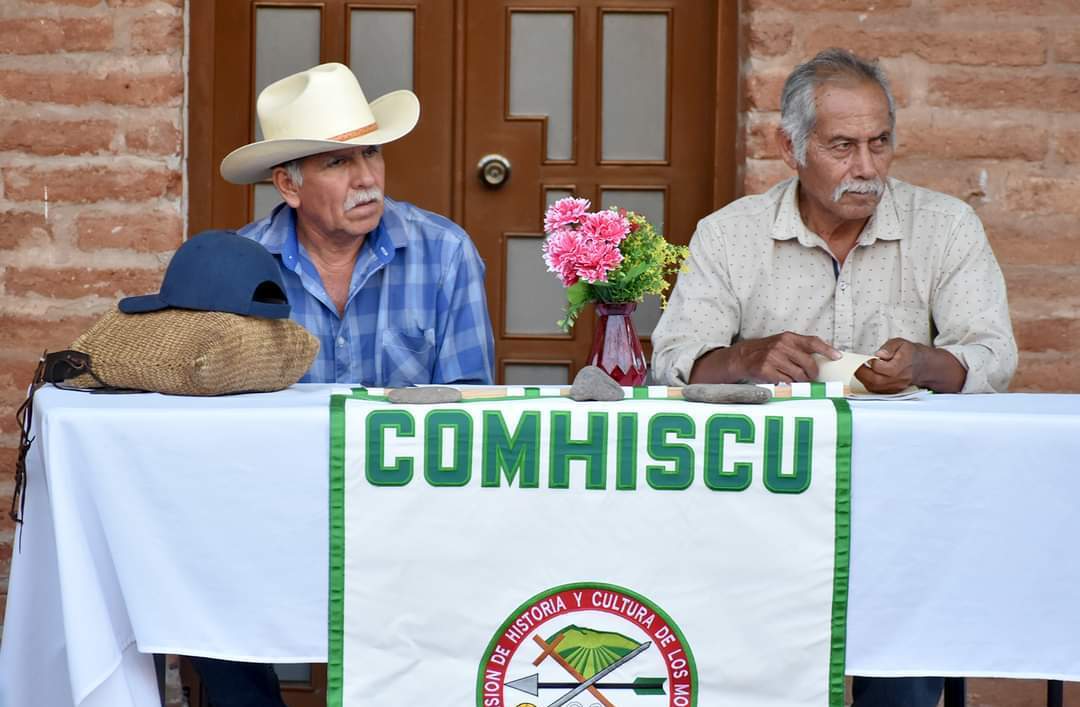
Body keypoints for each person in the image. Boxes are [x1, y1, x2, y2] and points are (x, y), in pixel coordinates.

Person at [651, 48, 1017, 705]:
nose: (867, 168)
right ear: (789, 147)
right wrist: (741, 358)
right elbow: (672, 359)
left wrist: (926, 364)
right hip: (763, 507)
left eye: (880, 143)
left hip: (906, 504)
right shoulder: (729, 236)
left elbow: (994, 353)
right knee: (757, 678)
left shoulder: (945, 227)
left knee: (901, 686)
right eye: (842, 146)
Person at [191, 63, 495, 706]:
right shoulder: (240, 267)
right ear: (288, 185)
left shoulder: (445, 254)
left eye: (372, 153)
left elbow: (468, 412)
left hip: (405, 509)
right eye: (337, 162)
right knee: (198, 577)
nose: (366, 178)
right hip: (271, 511)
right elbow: (216, 435)